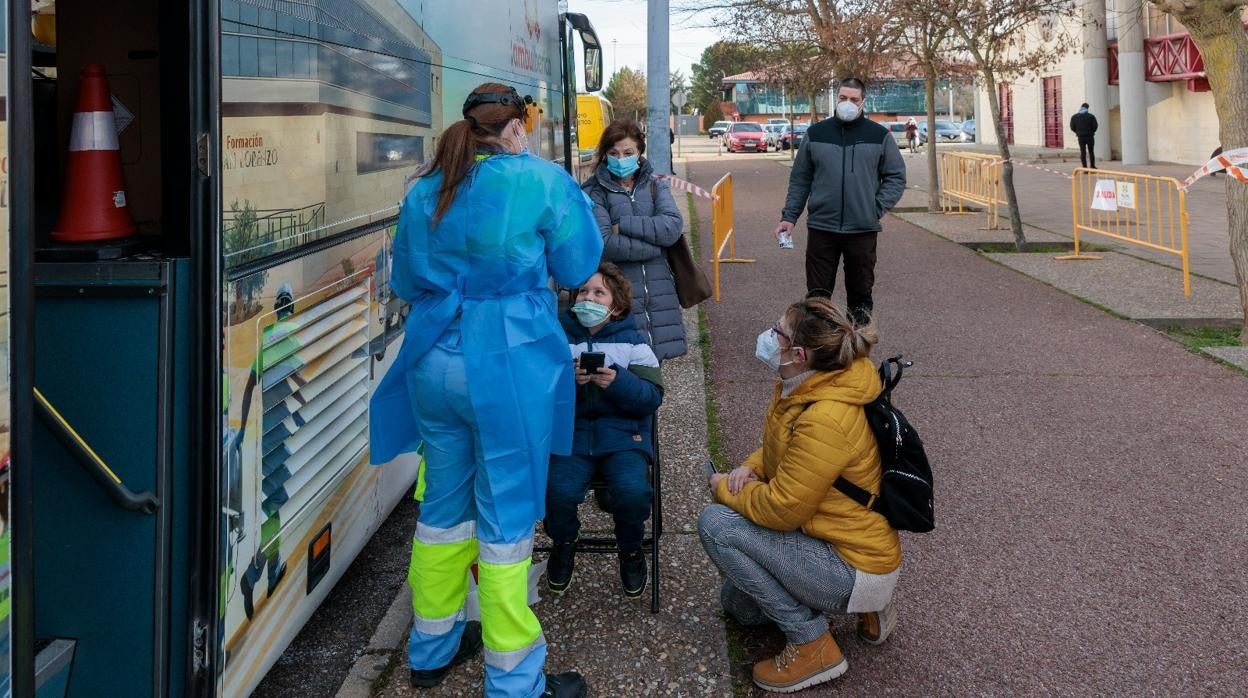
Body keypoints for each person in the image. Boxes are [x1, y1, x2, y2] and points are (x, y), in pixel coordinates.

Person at [369, 82, 603, 698]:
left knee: (442, 509)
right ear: (518, 128)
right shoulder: (541, 181)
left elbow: (408, 277)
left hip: (434, 358)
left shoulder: (425, 187)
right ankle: (514, 679)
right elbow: (579, 268)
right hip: (506, 365)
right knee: (505, 523)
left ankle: (431, 646)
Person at [697, 295, 901, 694]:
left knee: (717, 525)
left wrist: (725, 489)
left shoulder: (826, 414)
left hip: (852, 563)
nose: (770, 337)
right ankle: (865, 610)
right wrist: (752, 467)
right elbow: (788, 448)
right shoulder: (811, 381)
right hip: (835, 538)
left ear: (800, 353)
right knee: (739, 607)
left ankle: (813, 644)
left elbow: (783, 510)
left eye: (778, 333)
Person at [544, 262, 663, 598]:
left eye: (599, 293)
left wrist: (618, 381)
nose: (588, 298)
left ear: (616, 306)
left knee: (632, 492)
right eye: (583, 291)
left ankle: (630, 547)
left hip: (623, 438)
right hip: (573, 436)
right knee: (557, 492)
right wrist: (572, 383)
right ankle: (564, 541)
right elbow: (539, 393)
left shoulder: (635, 344)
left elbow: (652, 397)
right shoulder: (558, 340)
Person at [774, 77, 906, 326]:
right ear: (836, 98)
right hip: (822, 228)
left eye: (854, 99)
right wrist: (789, 217)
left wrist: (875, 208)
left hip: (862, 229)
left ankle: (857, 353)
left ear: (863, 102)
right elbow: (800, 179)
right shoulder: (816, 133)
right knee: (817, 298)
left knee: (860, 296)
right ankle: (821, 349)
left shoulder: (879, 136)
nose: (848, 103)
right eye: (843, 98)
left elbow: (896, 177)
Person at [583, 119, 687, 360]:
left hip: (660, 294)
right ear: (605, 155)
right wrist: (656, 245)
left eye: (628, 152)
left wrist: (625, 225)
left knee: (653, 377)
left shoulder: (655, 185)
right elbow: (606, 243)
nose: (621, 159)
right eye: (614, 153)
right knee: (620, 367)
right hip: (617, 296)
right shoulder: (593, 191)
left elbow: (672, 227)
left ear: (639, 151)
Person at [1071, 103, 1098, 169]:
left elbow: (1072, 127)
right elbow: (1095, 126)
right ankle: (1092, 166)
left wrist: (1078, 132)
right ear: (1087, 108)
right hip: (1090, 136)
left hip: (1081, 137)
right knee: (1091, 151)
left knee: (1083, 152)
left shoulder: (1074, 117)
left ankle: (1085, 167)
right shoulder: (1091, 116)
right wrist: (1091, 132)